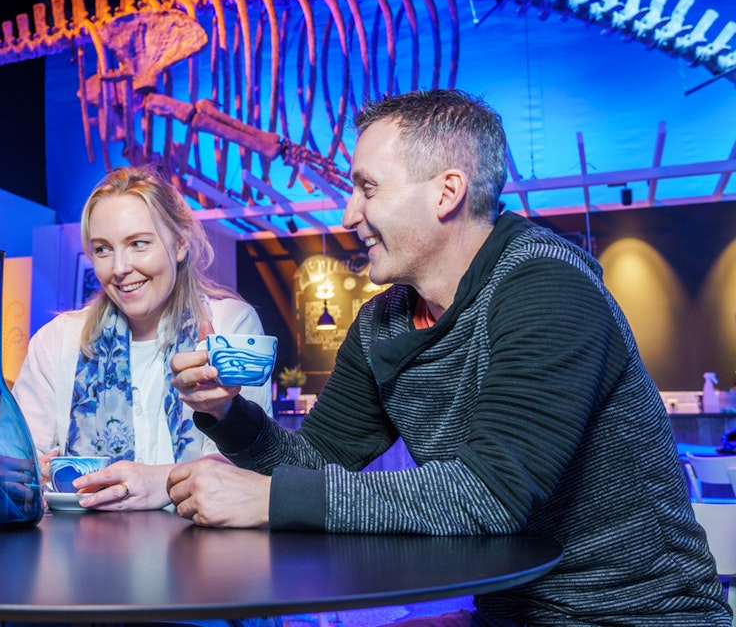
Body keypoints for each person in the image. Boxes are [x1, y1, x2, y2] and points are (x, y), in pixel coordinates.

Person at [167, 89, 730, 625]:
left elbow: (488, 496)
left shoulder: (546, 288)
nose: (346, 215)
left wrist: (272, 498)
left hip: (634, 616)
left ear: (446, 192)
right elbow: (311, 463)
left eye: (367, 188)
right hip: (507, 615)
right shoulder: (382, 321)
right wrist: (227, 414)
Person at [14, 166, 273, 511]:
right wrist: (24, 475)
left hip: (202, 554)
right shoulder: (57, 342)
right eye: (103, 250)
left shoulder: (228, 327)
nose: (119, 268)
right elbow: (18, 465)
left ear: (180, 244)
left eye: (138, 244)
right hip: (84, 553)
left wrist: (161, 482)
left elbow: (248, 469)